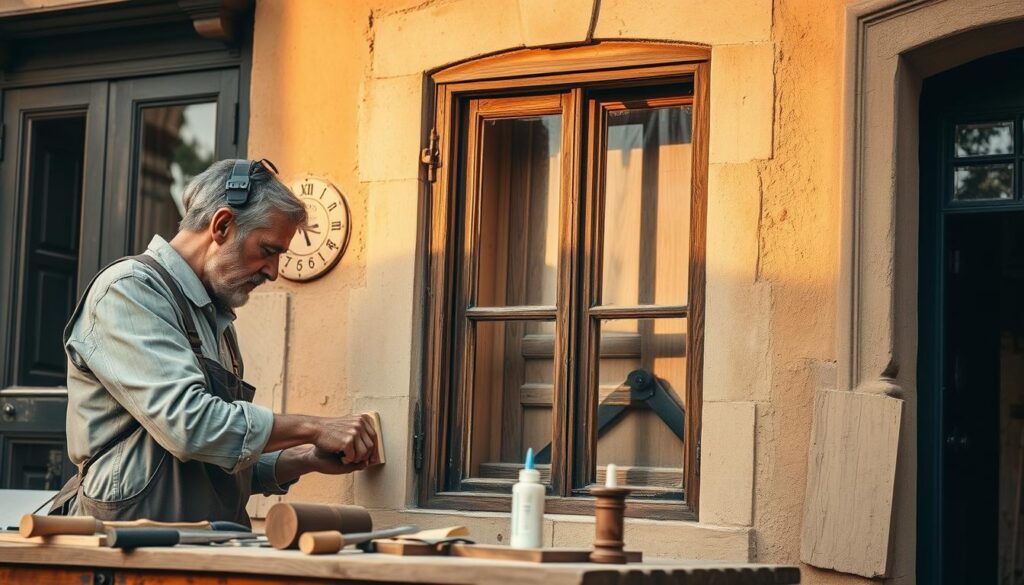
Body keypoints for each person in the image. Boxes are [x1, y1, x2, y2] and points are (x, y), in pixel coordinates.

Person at [54, 159, 377, 524]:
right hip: (131, 548)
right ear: (222, 225)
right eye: (269, 250)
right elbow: (190, 426)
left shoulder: (215, 319)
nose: (273, 271)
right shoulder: (129, 290)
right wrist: (314, 427)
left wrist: (303, 458)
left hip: (204, 546)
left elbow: (216, 460)